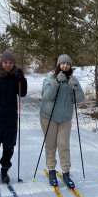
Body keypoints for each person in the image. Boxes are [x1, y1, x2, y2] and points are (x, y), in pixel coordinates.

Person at [40, 54, 85, 188]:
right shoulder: (50, 78)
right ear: (58, 65)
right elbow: (46, 96)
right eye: (62, 63)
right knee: (51, 144)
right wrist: (56, 83)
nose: (65, 66)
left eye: (67, 64)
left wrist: (76, 87)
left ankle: (66, 172)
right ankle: (52, 170)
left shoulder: (73, 80)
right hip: (49, 117)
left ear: (70, 66)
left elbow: (80, 99)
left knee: (64, 145)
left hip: (65, 118)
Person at [0, 51, 27, 184]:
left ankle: (4, 170)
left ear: (13, 64)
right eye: (5, 62)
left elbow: (22, 94)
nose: (8, 65)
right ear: (1, 63)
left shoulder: (16, 76)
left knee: (9, 146)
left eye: (10, 63)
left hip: (10, 116)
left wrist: (22, 79)